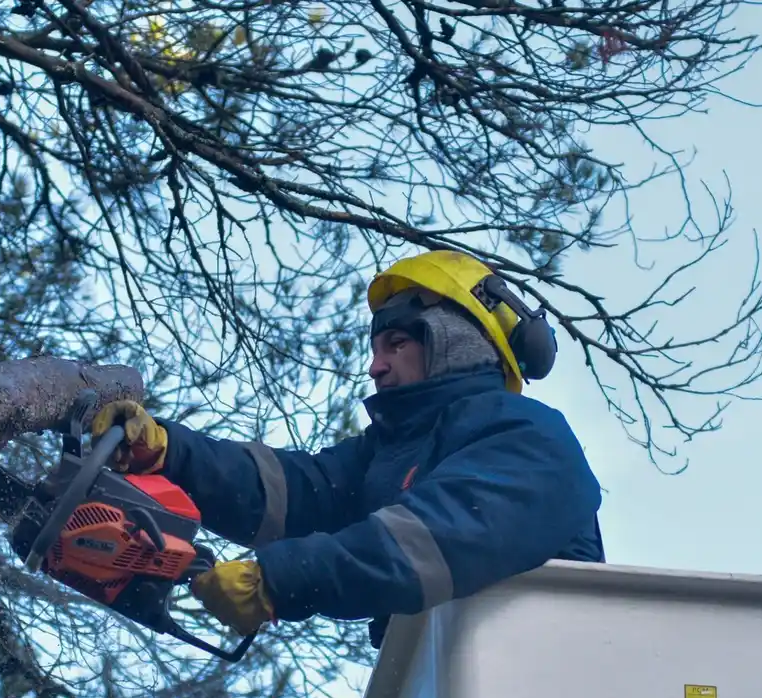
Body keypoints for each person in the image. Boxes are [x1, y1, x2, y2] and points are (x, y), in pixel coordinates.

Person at [92, 249, 605, 649]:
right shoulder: (388, 454)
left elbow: (435, 538)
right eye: (375, 349)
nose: (375, 367)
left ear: (454, 341)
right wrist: (170, 454)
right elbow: (292, 492)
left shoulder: (529, 436)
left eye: (397, 344)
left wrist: (279, 577)